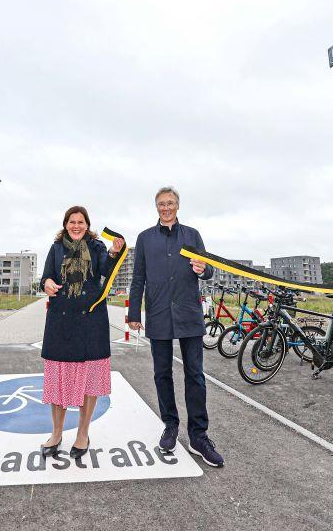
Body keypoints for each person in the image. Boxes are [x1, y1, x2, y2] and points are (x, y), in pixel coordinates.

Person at [128, 186, 223, 467]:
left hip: (188, 313)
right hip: (158, 314)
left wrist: (202, 269)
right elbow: (138, 278)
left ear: (178, 206)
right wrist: (134, 312)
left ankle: (198, 436)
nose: (165, 208)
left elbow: (208, 269)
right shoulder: (145, 239)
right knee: (162, 373)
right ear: (156, 207)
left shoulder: (192, 235)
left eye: (170, 203)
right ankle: (170, 425)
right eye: (161, 204)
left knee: (195, 374)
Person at [39, 206, 124, 459]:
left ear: (87, 225)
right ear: (65, 224)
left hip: (90, 322)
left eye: (81, 222)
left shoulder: (97, 248)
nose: (76, 226)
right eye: (71, 221)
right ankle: (56, 433)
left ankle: (82, 433)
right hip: (61, 321)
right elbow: (45, 277)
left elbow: (106, 272)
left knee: (88, 381)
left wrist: (114, 253)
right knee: (58, 381)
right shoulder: (55, 249)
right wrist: (47, 284)